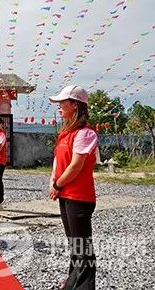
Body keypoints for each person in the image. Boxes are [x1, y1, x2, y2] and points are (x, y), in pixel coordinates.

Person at [48, 85, 98, 290]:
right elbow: (58, 162)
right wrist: (53, 181)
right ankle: (72, 282)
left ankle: (83, 286)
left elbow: (75, 165)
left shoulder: (85, 133)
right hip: (66, 194)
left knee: (83, 247)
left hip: (79, 196)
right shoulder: (66, 133)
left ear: (75, 105)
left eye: (62, 103)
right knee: (75, 244)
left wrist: (58, 184)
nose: (59, 107)